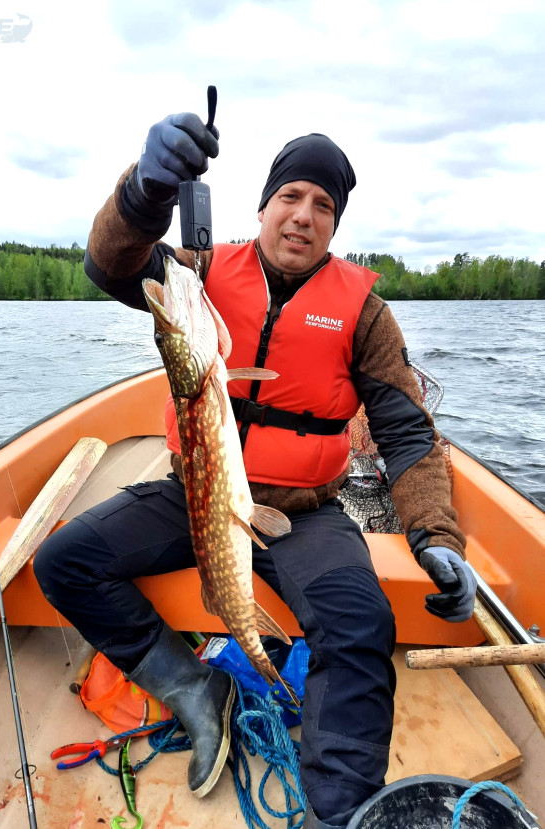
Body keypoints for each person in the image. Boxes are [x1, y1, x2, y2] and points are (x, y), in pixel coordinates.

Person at [34, 112, 477, 828]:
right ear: (263, 206)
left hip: (302, 513)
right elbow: (110, 263)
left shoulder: (365, 314)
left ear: (334, 225)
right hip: (195, 492)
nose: (303, 216)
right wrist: (146, 191)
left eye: (323, 205)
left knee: (361, 623)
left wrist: (437, 537)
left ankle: (337, 812)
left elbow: (404, 432)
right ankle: (193, 688)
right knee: (63, 562)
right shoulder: (201, 275)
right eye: (291, 196)